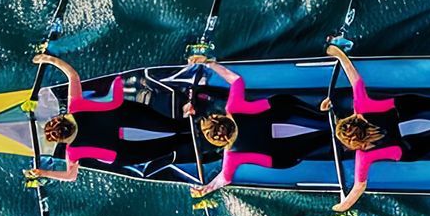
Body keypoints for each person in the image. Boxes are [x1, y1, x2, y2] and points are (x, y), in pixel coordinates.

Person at [322, 43, 430, 212]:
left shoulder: (363, 157)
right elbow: (353, 76)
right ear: (354, 119)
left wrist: (341, 207)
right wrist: (338, 54)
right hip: (407, 111)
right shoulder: (361, 107)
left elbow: (358, 189)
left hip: (409, 147)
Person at [27, 51, 186, 183]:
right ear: (60, 118)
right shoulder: (75, 106)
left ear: (61, 140)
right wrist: (48, 59)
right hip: (127, 115)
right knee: (173, 126)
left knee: (172, 145)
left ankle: (188, 141)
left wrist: (42, 173)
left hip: (124, 153)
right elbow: (72, 75)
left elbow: (71, 176)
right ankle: (188, 124)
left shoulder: (73, 152)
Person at [186, 59, 323, 196]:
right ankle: (320, 113)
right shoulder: (233, 108)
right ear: (220, 118)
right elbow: (236, 80)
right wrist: (209, 63)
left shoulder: (231, 156)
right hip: (283, 112)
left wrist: (205, 190)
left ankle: (326, 138)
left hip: (285, 154)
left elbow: (225, 179)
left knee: (295, 152)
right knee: (283, 102)